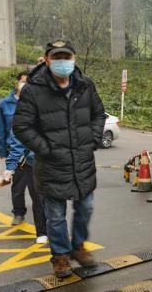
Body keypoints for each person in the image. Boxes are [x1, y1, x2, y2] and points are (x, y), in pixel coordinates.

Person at [13, 40, 106, 279]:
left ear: (74, 58)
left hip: (82, 163)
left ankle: (78, 247)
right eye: (57, 57)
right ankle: (60, 256)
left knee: (85, 208)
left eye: (66, 57)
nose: (62, 62)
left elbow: (98, 114)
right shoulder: (33, 90)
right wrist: (46, 148)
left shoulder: (85, 85)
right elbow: (22, 127)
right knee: (55, 216)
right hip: (51, 165)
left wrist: (93, 139)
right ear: (46, 60)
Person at [0, 72, 47, 243]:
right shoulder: (10, 107)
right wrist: (8, 163)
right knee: (22, 190)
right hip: (25, 160)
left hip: (48, 162)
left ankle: (44, 231)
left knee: (42, 198)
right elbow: (13, 137)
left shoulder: (48, 107)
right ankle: (22, 215)